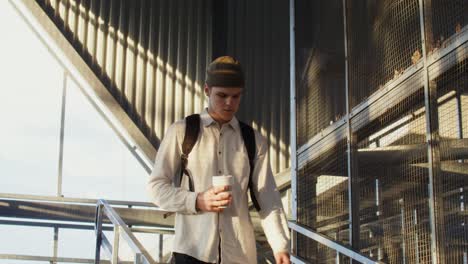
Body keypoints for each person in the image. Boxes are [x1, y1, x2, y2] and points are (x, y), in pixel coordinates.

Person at [147, 56, 290, 264]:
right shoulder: (182, 131)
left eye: (236, 96)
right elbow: (155, 188)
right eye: (222, 95)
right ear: (207, 90)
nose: (229, 103)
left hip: (239, 256)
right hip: (191, 252)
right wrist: (197, 200)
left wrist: (280, 246)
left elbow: (267, 196)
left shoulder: (254, 141)